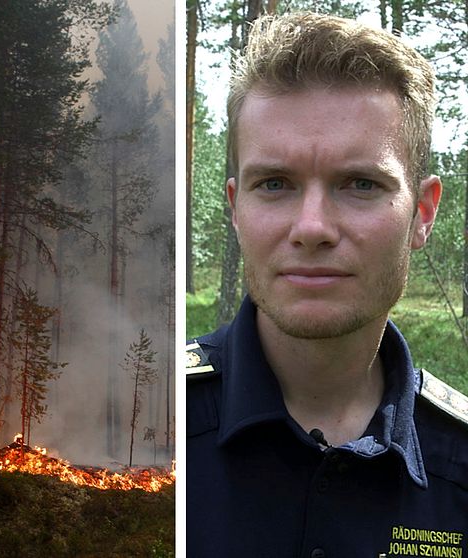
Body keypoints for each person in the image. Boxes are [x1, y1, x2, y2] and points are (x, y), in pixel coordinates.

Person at [187, 11, 468, 557]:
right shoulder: (159, 440)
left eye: (360, 183)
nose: (312, 227)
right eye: (274, 183)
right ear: (236, 209)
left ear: (423, 213)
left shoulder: (459, 461)